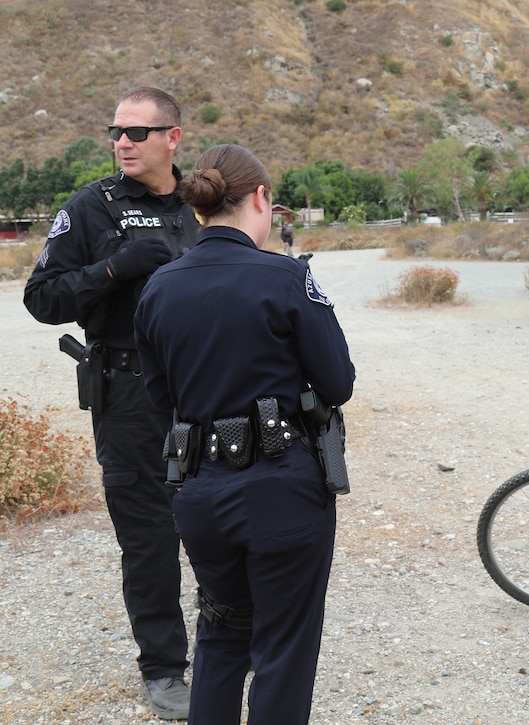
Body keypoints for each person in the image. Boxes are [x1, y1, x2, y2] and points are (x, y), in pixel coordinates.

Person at [133, 143, 355, 723]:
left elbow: (162, 397)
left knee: (221, 631)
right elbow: (338, 381)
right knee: (283, 646)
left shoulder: (158, 286)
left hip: (201, 491)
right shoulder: (286, 278)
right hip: (282, 491)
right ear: (261, 198)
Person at [23, 86, 197, 719]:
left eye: (137, 132)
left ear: (171, 138)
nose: (122, 142)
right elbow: (41, 298)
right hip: (129, 393)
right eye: (116, 131)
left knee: (220, 517)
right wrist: (114, 269)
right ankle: (164, 668)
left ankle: (231, 643)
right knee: (150, 533)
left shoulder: (206, 202)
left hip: (206, 386)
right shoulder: (90, 208)